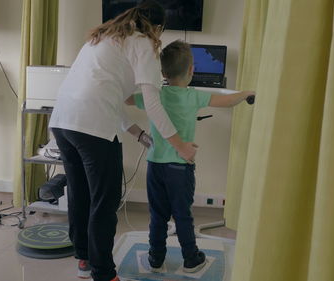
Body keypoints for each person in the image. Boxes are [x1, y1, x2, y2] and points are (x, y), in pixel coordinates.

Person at [48, 2, 198, 280]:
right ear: (156, 28)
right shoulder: (143, 44)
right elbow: (153, 104)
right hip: (93, 128)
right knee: (104, 202)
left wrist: (138, 134)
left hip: (63, 122)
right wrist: (181, 146)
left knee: (80, 195)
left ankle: (84, 260)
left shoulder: (103, 38)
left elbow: (105, 97)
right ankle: (104, 273)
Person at [125, 40, 255, 273]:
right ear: (192, 70)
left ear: (163, 73)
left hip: (154, 165)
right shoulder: (194, 96)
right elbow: (227, 101)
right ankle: (191, 259)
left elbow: (126, 98)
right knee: (182, 215)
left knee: (157, 216)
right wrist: (246, 94)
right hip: (180, 168)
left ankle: (155, 258)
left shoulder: (154, 96)